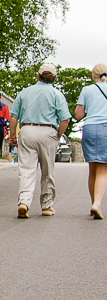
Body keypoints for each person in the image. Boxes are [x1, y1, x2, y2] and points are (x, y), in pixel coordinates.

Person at [8, 63, 71, 218]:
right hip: (48, 131)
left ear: (38, 76)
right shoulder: (57, 95)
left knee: (27, 170)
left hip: (27, 130)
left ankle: (24, 202)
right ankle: (47, 206)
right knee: (48, 170)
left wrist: (13, 136)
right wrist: (58, 135)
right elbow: (65, 120)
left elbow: (13, 117)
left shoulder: (24, 92)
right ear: (55, 78)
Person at [73, 63, 107, 219]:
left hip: (90, 128)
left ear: (94, 75)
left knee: (92, 168)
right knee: (103, 169)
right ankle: (97, 204)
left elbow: (78, 115)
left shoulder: (86, 90)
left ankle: (94, 203)